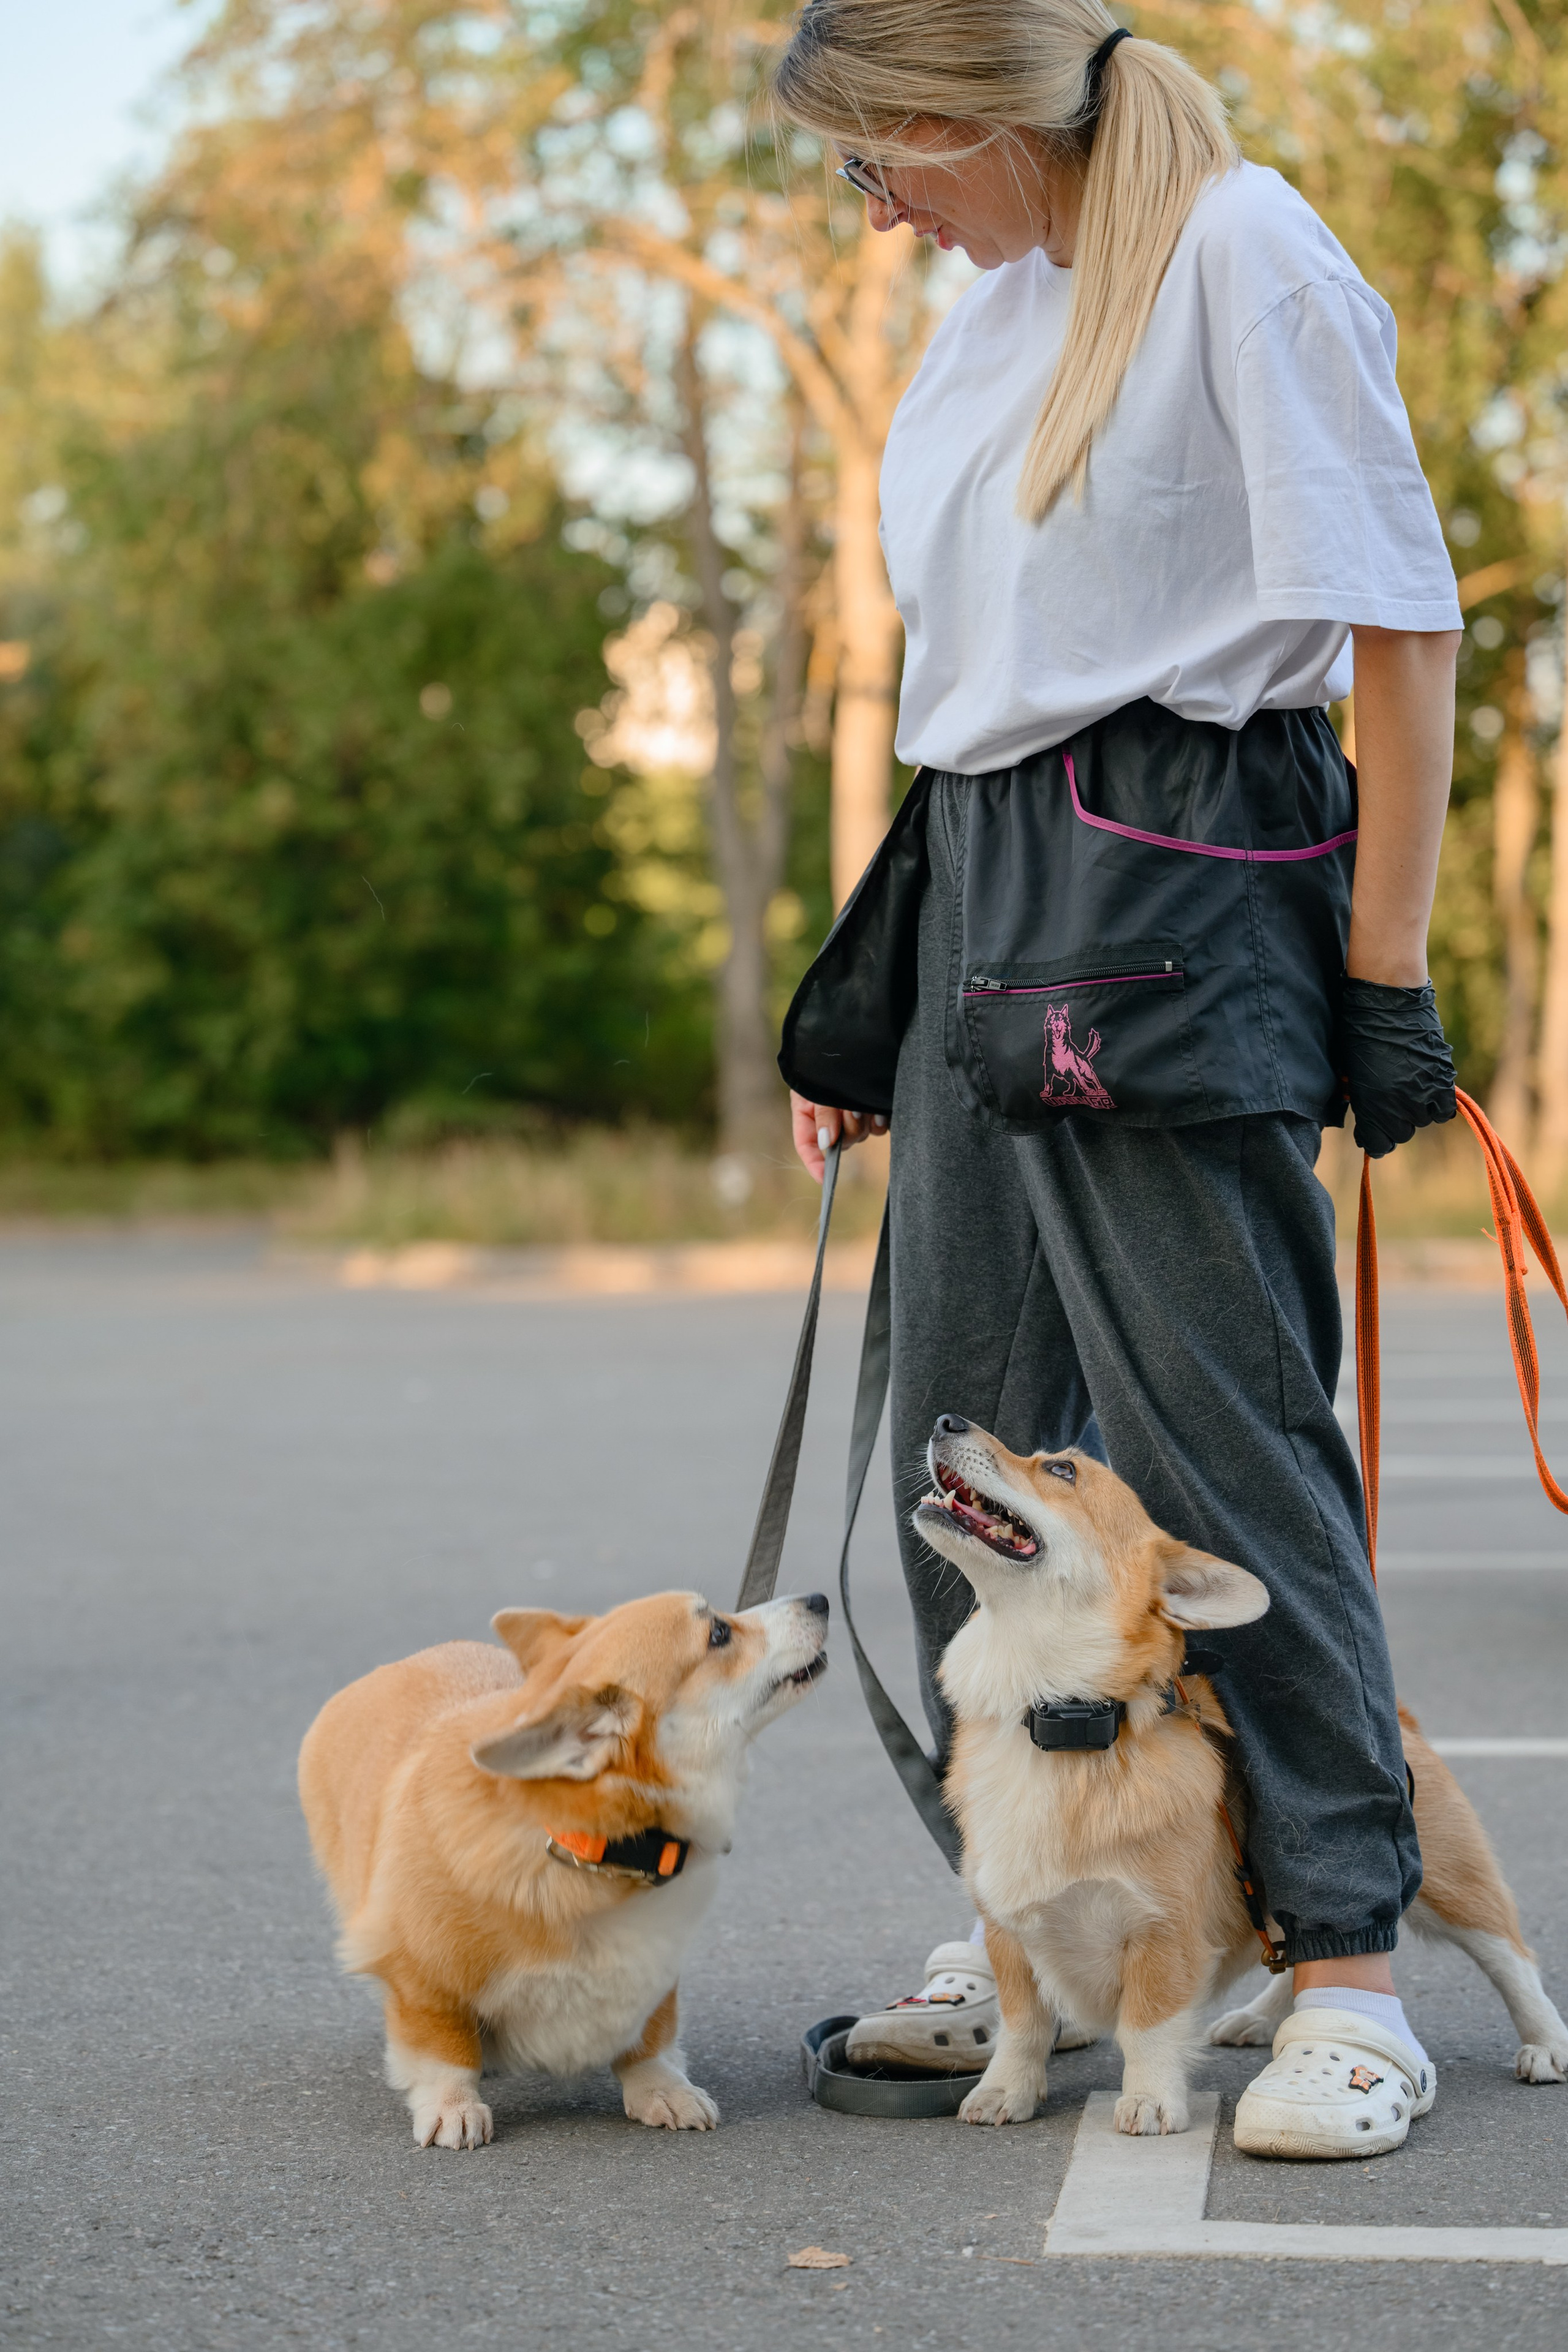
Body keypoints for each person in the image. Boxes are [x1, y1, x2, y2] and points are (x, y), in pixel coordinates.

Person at [771, 0, 1462, 2159]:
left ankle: (1346, 1963)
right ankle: (1041, 1924)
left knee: (1218, 1454)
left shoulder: (1243, 249)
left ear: (973, 115)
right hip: (983, 888)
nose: (872, 211)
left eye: (879, 163)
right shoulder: (991, 323)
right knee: (965, 1458)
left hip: (1182, 883)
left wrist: (1387, 976)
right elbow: (974, 702)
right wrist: (876, 1003)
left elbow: (1401, 627)